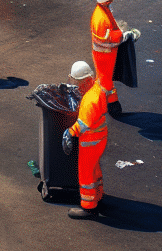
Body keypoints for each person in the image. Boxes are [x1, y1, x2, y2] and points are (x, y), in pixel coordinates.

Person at [62, 61, 108, 219]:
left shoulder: (90, 100)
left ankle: (89, 207)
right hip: (99, 138)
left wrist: (69, 132)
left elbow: (82, 125)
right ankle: (98, 194)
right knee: (95, 169)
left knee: (86, 174)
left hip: (91, 141)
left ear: (87, 80)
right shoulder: (96, 88)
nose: (77, 87)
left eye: (78, 83)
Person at [90, 0, 140, 116]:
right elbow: (110, 38)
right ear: (105, 1)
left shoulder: (101, 11)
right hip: (105, 54)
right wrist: (125, 35)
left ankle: (104, 104)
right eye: (109, 2)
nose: (111, 4)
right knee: (105, 83)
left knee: (102, 80)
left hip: (103, 53)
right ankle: (112, 106)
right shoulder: (101, 19)